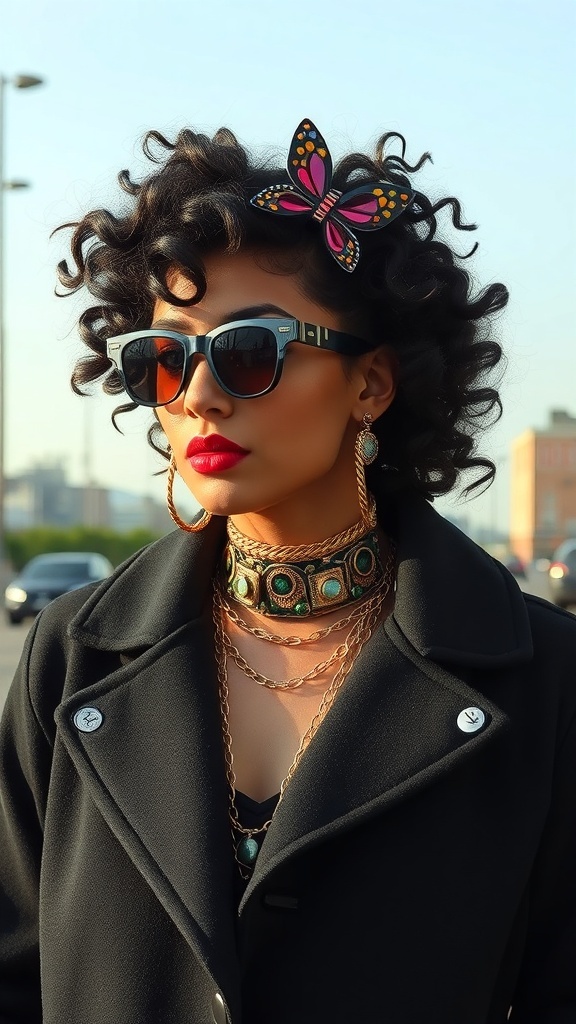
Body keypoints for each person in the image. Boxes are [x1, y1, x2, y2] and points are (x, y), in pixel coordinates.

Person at [0, 116, 574, 1024]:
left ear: (372, 383)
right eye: (162, 358)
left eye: (249, 350)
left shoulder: (546, 683)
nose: (199, 395)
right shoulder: (69, 662)